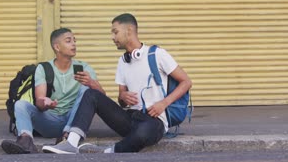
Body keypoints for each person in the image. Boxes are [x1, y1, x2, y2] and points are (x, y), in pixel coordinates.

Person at [42, 13, 192, 154]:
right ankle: (71, 143)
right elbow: (121, 101)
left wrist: (163, 103)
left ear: (129, 30)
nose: (112, 37)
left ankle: (109, 152)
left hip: (155, 120)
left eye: (115, 32)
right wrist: (123, 96)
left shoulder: (157, 54)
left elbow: (186, 82)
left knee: (143, 133)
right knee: (91, 94)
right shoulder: (123, 61)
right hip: (130, 118)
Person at [1, 28, 105, 154]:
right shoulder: (44, 68)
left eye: (74, 41)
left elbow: (101, 98)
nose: (74, 44)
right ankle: (25, 141)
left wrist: (91, 83)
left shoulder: (84, 68)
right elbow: (39, 101)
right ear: (57, 47)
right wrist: (45, 103)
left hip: (75, 122)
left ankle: (67, 138)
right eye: (68, 41)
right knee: (20, 105)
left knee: (86, 89)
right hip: (50, 120)